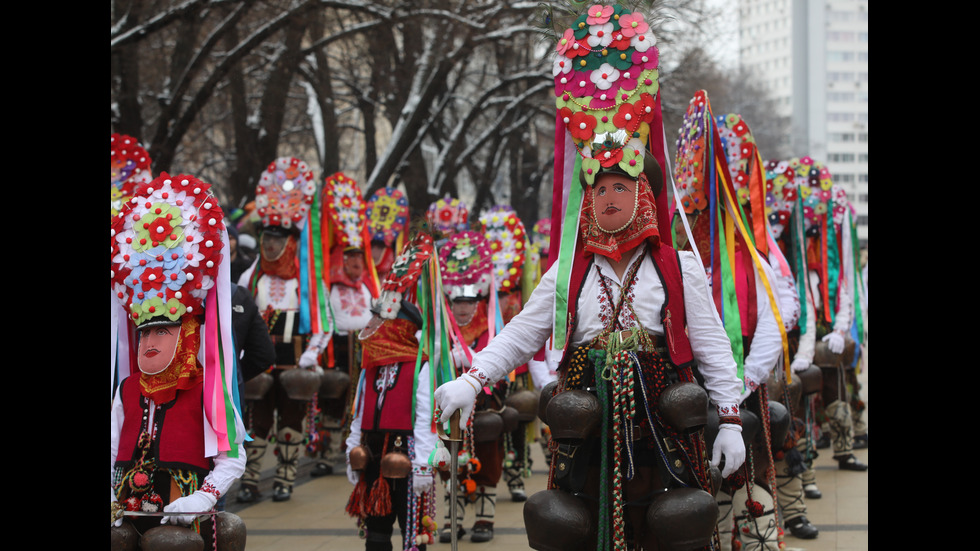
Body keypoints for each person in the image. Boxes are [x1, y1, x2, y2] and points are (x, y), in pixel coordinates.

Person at [436, 7, 744, 548]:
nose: (607, 197)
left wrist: (731, 419)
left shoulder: (678, 265)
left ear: (643, 196)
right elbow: (523, 332)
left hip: (663, 417)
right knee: (574, 521)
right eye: (598, 189)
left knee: (670, 522)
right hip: (586, 418)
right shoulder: (569, 270)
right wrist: (473, 379)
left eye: (620, 187)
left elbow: (714, 346)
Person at [110, 172, 247, 549]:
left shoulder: (206, 388)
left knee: (169, 543)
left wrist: (204, 496)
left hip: (184, 516)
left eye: (162, 332)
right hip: (128, 513)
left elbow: (233, 457)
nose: (149, 341)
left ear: (185, 336)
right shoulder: (128, 388)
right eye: (144, 333)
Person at [237, 156, 331, 503]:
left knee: (291, 422)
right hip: (260, 363)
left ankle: (286, 478)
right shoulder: (251, 276)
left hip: (294, 361)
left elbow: (325, 323)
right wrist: (243, 352)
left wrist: (311, 354)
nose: (270, 245)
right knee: (257, 422)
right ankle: (249, 480)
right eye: (266, 238)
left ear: (292, 242)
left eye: (278, 239)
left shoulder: (307, 280)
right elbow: (240, 316)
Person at [344, 232, 440, 551]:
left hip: (408, 452)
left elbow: (427, 418)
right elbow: (359, 415)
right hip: (372, 452)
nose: (373, 326)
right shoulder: (369, 368)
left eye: (381, 320)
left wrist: (425, 465)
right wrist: (350, 450)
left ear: (398, 328)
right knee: (376, 530)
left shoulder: (420, 367)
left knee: (413, 530)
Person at [437, 230, 503, 543]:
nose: (463, 308)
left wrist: (471, 358)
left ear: (479, 301)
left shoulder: (490, 329)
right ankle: (454, 517)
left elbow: (501, 368)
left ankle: (485, 517)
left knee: (487, 459)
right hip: (449, 406)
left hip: (483, 406)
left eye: (469, 301)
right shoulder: (441, 330)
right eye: (457, 302)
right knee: (450, 461)